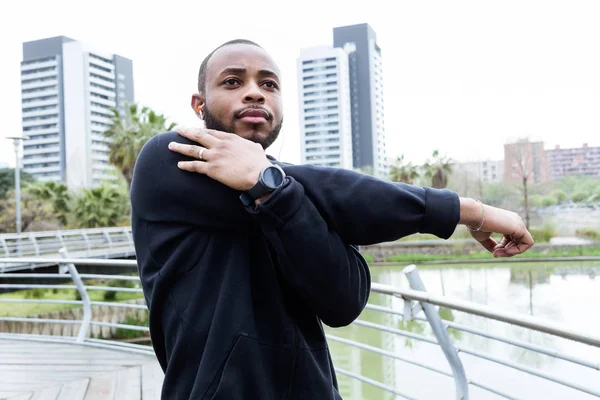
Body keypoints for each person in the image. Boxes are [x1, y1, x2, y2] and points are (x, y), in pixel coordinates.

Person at [130, 39, 534, 399]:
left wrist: (272, 190)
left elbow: (345, 304)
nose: (254, 92)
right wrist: (468, 211)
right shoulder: (172, 159)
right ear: (199, 105)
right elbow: (329, 188)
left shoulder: (305, 195)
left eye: (269, 84)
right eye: (233, 82)